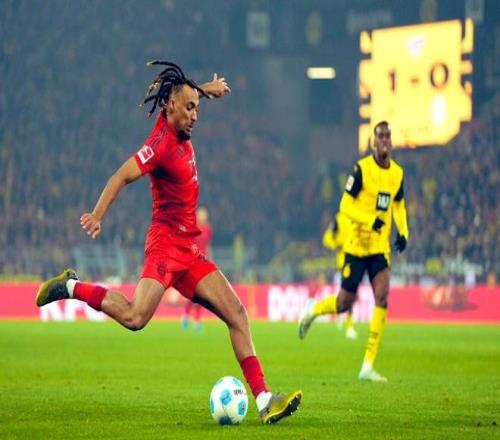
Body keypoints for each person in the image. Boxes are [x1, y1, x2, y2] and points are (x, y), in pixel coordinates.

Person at [36, 61, 302, 424]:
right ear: (171, 107)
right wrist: (97, 214)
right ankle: (70, 286)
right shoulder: (158, 145)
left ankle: (265, 401)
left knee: (237, 314)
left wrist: (205, 89)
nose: (195, 116)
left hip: (189, 249)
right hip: (165, 245)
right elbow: (122, 174)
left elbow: (185, 92)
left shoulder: (181, 111)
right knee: (135, 317)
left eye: (197, 108)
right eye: (189, 108)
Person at [298, 121, 409, 382]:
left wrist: (403, 231)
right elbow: (345, 206)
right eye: (380, 136)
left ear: (391, 141)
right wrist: (370, 221)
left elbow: (399, 204)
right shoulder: (361, 170)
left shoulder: (397, 173)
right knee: (344, 303)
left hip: (379, 248)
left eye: (388, 136)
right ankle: (314, 309)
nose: (384, 140)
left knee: (382, 296)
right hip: (356, 247)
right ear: (373, 142)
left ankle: (367, 365)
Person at [322, 212, 358, 340]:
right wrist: (336, 244)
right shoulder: (338, 219)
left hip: (356, 260)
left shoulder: (358, 217)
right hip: (343, 263)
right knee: (348, 295)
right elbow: (327, 238)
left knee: (349, 295)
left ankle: (345, 322)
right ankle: (348, 326)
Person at [181, 206, 212, 331]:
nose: (204, 216)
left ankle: (197, 320)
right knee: (194, 293)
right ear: (197, 215)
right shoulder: (193, 226)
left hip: (203, 262)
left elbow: (207, 245)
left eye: (205, 214)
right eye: (202, 214)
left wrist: (208, 259)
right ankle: (186, 316)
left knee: (202, 294)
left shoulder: (208, 229)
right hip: (192, 262)